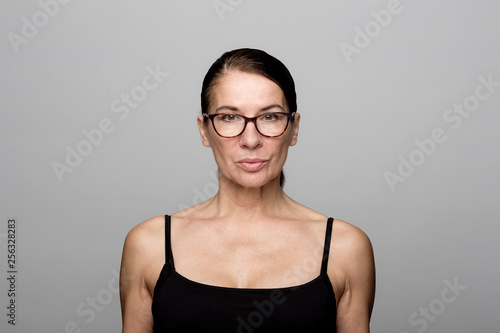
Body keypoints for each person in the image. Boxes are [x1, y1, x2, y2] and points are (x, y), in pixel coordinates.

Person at [119, 48, 375, 332]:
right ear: (204, 130)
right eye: (229, 117)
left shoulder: (345, 248)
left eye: (270, 117)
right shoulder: (149, 245)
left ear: (294, 128)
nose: (251, 140)